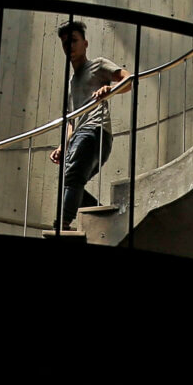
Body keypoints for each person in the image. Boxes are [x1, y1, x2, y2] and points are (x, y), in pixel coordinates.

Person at [49, 21, 132, 231]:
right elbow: (71, 122)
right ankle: (101, 215)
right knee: (70, 180)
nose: (70, 46)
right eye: (65, 43)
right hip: (79, 134)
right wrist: (63, 146)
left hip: (96, 130)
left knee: (73, 176)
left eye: (74, 41)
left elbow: (128, 80)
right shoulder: (70, 84)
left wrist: (109, 90)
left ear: (85, 43)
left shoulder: (97, 65)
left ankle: (64, 223)